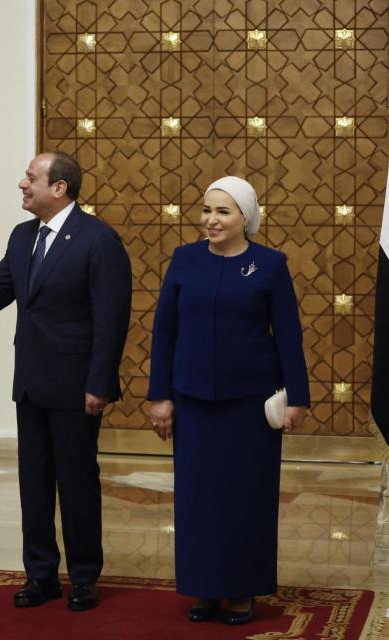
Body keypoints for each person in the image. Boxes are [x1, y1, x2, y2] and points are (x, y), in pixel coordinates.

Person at [0, 151, 132, 611]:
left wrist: (99, 383)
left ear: (60, 188)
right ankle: (40, 575)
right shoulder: (22, 237)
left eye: (31, 178)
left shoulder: (99, 240)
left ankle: (84, 577)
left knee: (77, 483)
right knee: (33, 483)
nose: (22, 184)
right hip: (31, 383)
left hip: (77, 387)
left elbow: (111, 319)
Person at [147, 176, 309, 624]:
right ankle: (204, 589)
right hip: (193, 401)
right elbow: (165, 331)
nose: (211, 220)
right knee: (197, 498)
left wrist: (297, 397)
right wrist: (159, 394)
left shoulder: (270, 265)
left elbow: (289, 336)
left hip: (250, 406)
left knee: (246, 498)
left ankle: (242, 590)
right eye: (206, 210)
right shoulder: (184, 260)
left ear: (245, 218)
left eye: (222, 212)